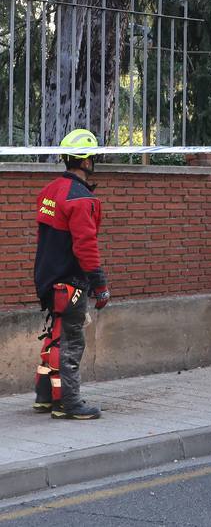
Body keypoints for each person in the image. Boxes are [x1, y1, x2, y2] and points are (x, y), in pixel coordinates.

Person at [34, 128, 110, 420]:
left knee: (55, 337)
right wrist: (99, 284)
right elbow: (85, 245)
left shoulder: (49, 192)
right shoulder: (81, 199)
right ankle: (69, 403)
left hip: (47, 277)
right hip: (70, 282)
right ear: (87, 161)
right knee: (71, 342)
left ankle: (44, 397)